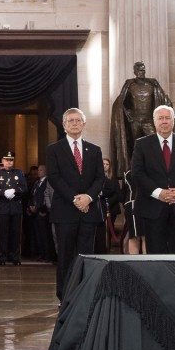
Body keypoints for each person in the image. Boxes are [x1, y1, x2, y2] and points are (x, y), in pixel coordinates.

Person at [44, 107, 106, 299]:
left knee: (86, 256)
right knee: (65, 256)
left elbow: (99, 179)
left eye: (78, 120)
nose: (75, 124)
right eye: (71, 121)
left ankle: (85, 295)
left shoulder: (95, 150)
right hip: (65, 211)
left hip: (89, 212)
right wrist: (75, 198)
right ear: (64, 125)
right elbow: (54, 177)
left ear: (84, 124)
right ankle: (65, 296)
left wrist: (88, 198)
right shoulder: (54, 149)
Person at [126, 105, 175, 255]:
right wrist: (158, 192)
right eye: (160, 118)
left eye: (168, 118)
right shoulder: (142, 144)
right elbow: (137, 173)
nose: (164, 121)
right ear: (154, 121)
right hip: (152, 208)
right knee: (155, 254)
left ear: (173, 121)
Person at [0, 151, 26, 265]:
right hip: (2, 207)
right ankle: (1, 257)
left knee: (16, 234)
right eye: (7, 160)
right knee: (2, 234)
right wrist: (3, 192)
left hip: (16, 207)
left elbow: (24, 188)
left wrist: (15, 191)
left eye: (11, 160)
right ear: (2, 161)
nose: (9, 162)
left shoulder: (19, 172)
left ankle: (15, 258)